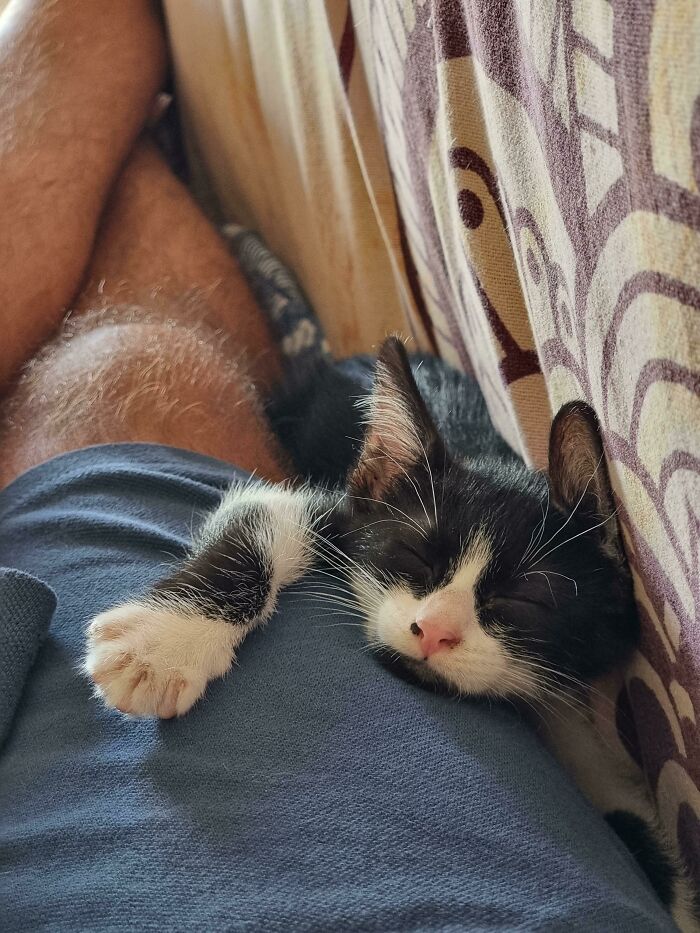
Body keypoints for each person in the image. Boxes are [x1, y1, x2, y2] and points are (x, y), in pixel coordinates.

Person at [0, 2, 677, 930]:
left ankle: (105, 104)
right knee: (137, 355)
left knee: (127, 361)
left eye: (519, 603)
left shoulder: (561, 664)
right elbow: (300, 514)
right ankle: (117, 110)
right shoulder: (414, 523)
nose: (437, 625)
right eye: (427, 578)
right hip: (325, 434)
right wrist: (209, 606)